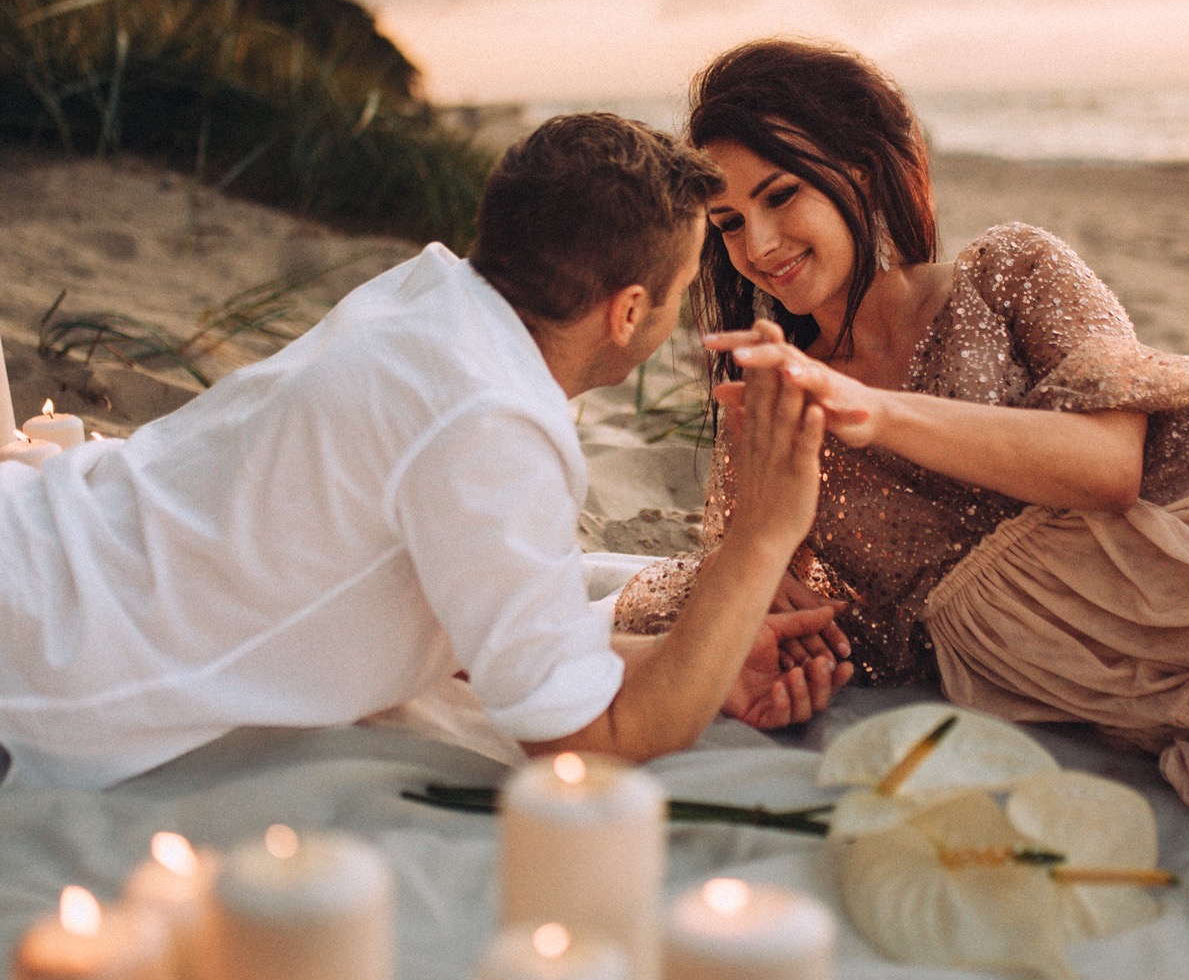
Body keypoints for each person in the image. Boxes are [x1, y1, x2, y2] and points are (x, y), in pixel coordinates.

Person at [615, 41, 1189, 876]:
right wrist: (748, 599)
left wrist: (875, 410)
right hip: (1116, 645)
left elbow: (1110, 465)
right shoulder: (773, 394)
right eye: (728, 223)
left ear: (862, 170)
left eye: (781, 195)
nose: (757, 244)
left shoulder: (1010, 270)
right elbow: (740, 576)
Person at [0, 113, 845, 792]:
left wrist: (697, 657)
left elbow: (487, 630)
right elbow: (596, 749)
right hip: (36, 667)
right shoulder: (489, 425)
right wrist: (762, 534)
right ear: (628, 312)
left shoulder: (433, 296)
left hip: (41, 540)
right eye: (684, 280)